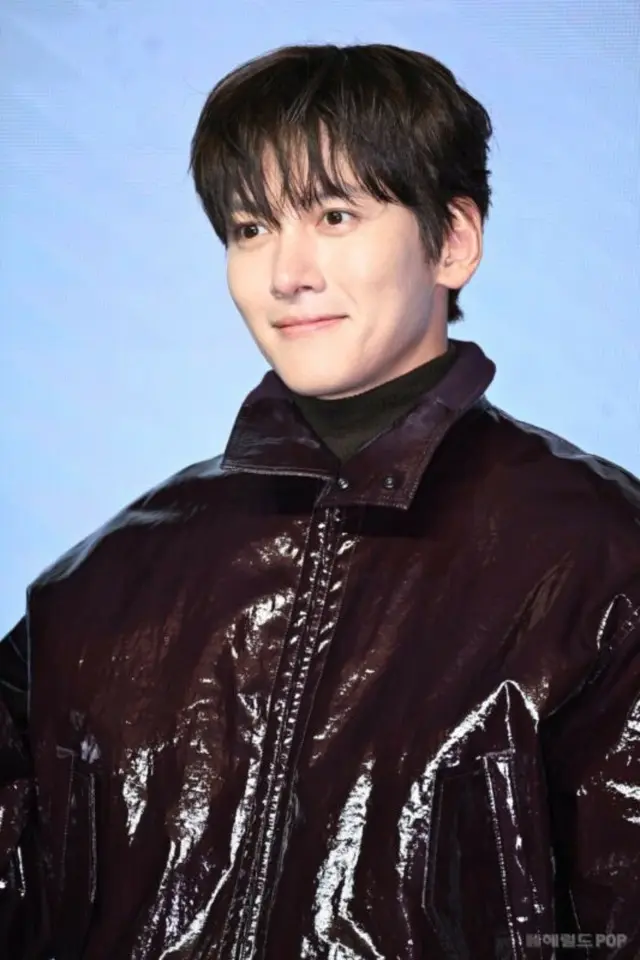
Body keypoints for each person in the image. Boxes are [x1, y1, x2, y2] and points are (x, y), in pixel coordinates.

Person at [1, 42, 638, 960]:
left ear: (452, 241)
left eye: (335, 216)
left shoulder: (601, 561)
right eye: (251, 227)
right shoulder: (98, 586)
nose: (285, 274)